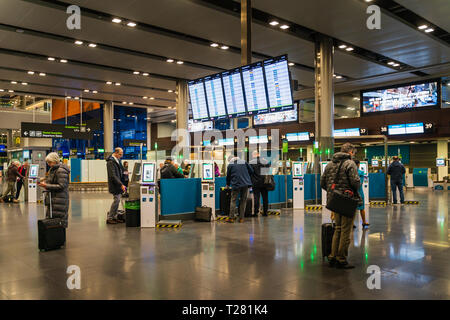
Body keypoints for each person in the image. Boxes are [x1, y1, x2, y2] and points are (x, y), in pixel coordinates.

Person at [320, 143, 361, 269]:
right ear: (350, 152)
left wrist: (333, 192)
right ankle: (341, 258)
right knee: (345, 230)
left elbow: (323, 182)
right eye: (353, 153)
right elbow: (355, 182)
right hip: (347, 200)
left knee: (337, 228)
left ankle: (332, 256)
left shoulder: (329, 164)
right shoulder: (350, 163)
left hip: (334, 200)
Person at [37, 153, 70, 228]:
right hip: (54, 199)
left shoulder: (61, 170)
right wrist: (45, 182)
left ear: (55, 161)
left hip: (60, 199)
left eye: (49, 162)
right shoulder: (53, 169)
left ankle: (57, 236)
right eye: (47, 162)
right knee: (52, 219)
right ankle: (53, 236)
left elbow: (62, 186)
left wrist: (46, 185)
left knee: (58, 220)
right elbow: (52, 180)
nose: (48, 164)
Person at [226, 155, 254, 223]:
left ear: (230, 159)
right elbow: (252, 171)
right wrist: (246, 177)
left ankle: (231, 218)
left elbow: (228, 176)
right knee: (243, 201)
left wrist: (227, 184)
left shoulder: (230, 165)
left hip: (236, 184)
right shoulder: (244, 162)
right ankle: (241, 218)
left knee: (233, 200)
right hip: (245, 184)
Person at [106, 148, 126, 224]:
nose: (121, 156)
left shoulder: (117, 160)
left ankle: (114, 217)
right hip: (115, 184)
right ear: (116, 153)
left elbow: (121, 170)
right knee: (116, 200)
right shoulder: (110, 162)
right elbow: (112, 175)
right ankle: (110, 218)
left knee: (117, 200)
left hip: (118, 183)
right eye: (120, 154)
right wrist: (121, 184)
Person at [249, 151, 271, 216]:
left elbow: (250, 172)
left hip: (255, 182)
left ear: (254, 155)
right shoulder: (265, 161)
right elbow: (268, 170)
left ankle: (256, 212)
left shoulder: (251, 162)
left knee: (256, 197)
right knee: (265, 198)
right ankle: (265, 212)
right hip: (264, 182)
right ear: (259, 154)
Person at [354, 160, 369, 228]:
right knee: (362, 208)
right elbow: (360, 183)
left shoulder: (350, 172)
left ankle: (351, 223)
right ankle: (364, 222)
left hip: (352, 193)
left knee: (352, 209)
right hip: (360, 192)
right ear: (358, 164)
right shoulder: (361, 172)